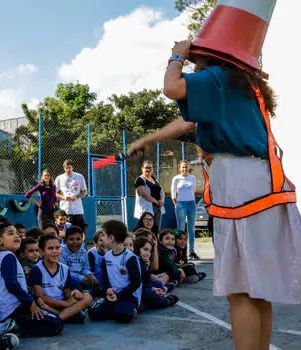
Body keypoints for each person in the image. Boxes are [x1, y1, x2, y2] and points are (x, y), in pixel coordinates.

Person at [128, 39, 301, 349]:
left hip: (240, 189)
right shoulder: (236, 83)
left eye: (198, 56)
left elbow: (172, 87)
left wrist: (176, 56)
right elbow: (188, 120)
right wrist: (150, 139)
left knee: (241, 287)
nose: (194, 63)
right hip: (261, 186)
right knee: (258, 287)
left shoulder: (217, 77)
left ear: (213, 55)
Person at [0, 222, 64, 337]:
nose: (16, 235)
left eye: (16, 233)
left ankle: (15, 327)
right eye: (10, 233)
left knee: (55, 321)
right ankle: (13, 328)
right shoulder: (7, 256)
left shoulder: (7, 256)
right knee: (56, 324)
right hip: (12, 310)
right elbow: (12, 284)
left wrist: (33, 299)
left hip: (15, 308)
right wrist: (30, 302)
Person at [88, 220, 142, 323]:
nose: (102, 238)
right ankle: (116, 308)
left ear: (111, 238)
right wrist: (108, 289)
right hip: (112, 294)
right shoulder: (107, 256)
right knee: (93, 312)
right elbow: (105, 276)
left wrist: (120, 295)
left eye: (103, 235)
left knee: (123, 315)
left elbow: (136, 282)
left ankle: (131, 308)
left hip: (127, 295)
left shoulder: (129, 258)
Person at [171, 160, 199, 260]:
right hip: (180, 204)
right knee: (180, 229)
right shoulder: (176, 178)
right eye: (183, 167)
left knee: (191, 228)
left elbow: (193, 191)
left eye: (186, 167)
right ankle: (179, 252)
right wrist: (177, 205)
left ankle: (191, 251)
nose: (184, 169)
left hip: (191, 204)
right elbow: (173, 194)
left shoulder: (192, 178)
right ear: (180, 168)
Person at [55, 159, 88, 231]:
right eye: (66, 168)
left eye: (70, 167)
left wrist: (77, 197)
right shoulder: (59, 178)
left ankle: (82, 242)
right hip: (66, 210)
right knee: (68, 231)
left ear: (72, 167)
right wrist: (64, 197)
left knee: (81, 229)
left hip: (78, 209)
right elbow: (55, 193)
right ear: (64, 168)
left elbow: (85, 192)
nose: (68, 169)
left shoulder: (79, 177)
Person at [134, 161, 165, 228]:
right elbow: (143, 194)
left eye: (150, 167)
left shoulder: (155, 179)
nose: (148, 169)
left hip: (158, 208)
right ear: (142, 169)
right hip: (147, 209)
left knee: (156, 229)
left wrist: (161, 201)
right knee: (146, 229)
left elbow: (162, 191)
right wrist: (156, 201)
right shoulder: (139, 179)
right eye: (146, 167)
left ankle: (155, 238)